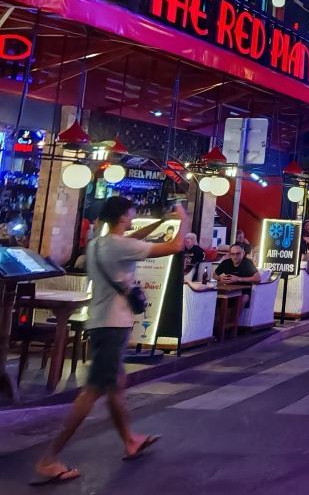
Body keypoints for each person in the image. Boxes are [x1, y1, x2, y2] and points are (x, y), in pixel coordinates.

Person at [34, 198, 190, 485]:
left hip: (100, 323)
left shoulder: (98, 244)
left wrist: (157, 222)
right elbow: (176, 247)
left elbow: (132, 239)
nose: (134, 218)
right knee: (92, 391)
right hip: (113, 325)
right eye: (131, 214)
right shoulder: (120, 247)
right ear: (122, 216)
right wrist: (183, 218)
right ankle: (49, 457)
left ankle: (130, 439)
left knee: (116, 385)